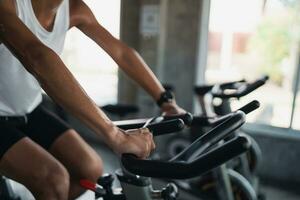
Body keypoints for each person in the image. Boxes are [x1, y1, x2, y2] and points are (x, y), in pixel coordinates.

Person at [0, 0, 185, 199]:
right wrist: (115, 134)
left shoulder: (74, 9)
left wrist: (165, 100)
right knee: (53, 179)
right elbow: (36, 56)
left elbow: (121, 53)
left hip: (28, 109)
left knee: (91, 169)